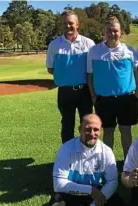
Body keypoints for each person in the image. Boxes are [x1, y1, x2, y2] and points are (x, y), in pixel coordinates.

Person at [87, 16, 138, 159]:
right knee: (108, 132)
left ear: (120, 32)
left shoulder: (129, 51)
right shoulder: (94, 51)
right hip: (104, 100)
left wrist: (137, 92)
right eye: (108, 31)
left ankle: (128, 163)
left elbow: (136, 73)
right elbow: (90, 75)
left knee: (126, 131)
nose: (112, 34)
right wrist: (93, 96)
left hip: (126, 99)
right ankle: (108, 163)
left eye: (115, 31)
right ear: (103, 32)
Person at [50, 114, 123, 206]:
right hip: (71, 193)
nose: (92, 134)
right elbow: (58, 185)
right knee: (57, 201)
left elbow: (112, 181)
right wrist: (90, 190)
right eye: (88, 129)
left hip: (96, 195)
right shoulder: (66, 149)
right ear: (80, 129)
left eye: (96, 129)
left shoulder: (106, 152)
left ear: (100, 131)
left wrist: (94, 204)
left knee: (117, 201)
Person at [46, 10, 95, 143]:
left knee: (88, 125)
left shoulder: (89, 44)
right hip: (65, 92)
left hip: (85, 91)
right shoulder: (54, 45)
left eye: (71, 23)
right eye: (65, 23)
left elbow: (93, 70)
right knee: (67, 125)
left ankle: (87, 154)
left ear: (77, 24)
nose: (68, 26)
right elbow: (51, 69)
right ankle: (68, 158)